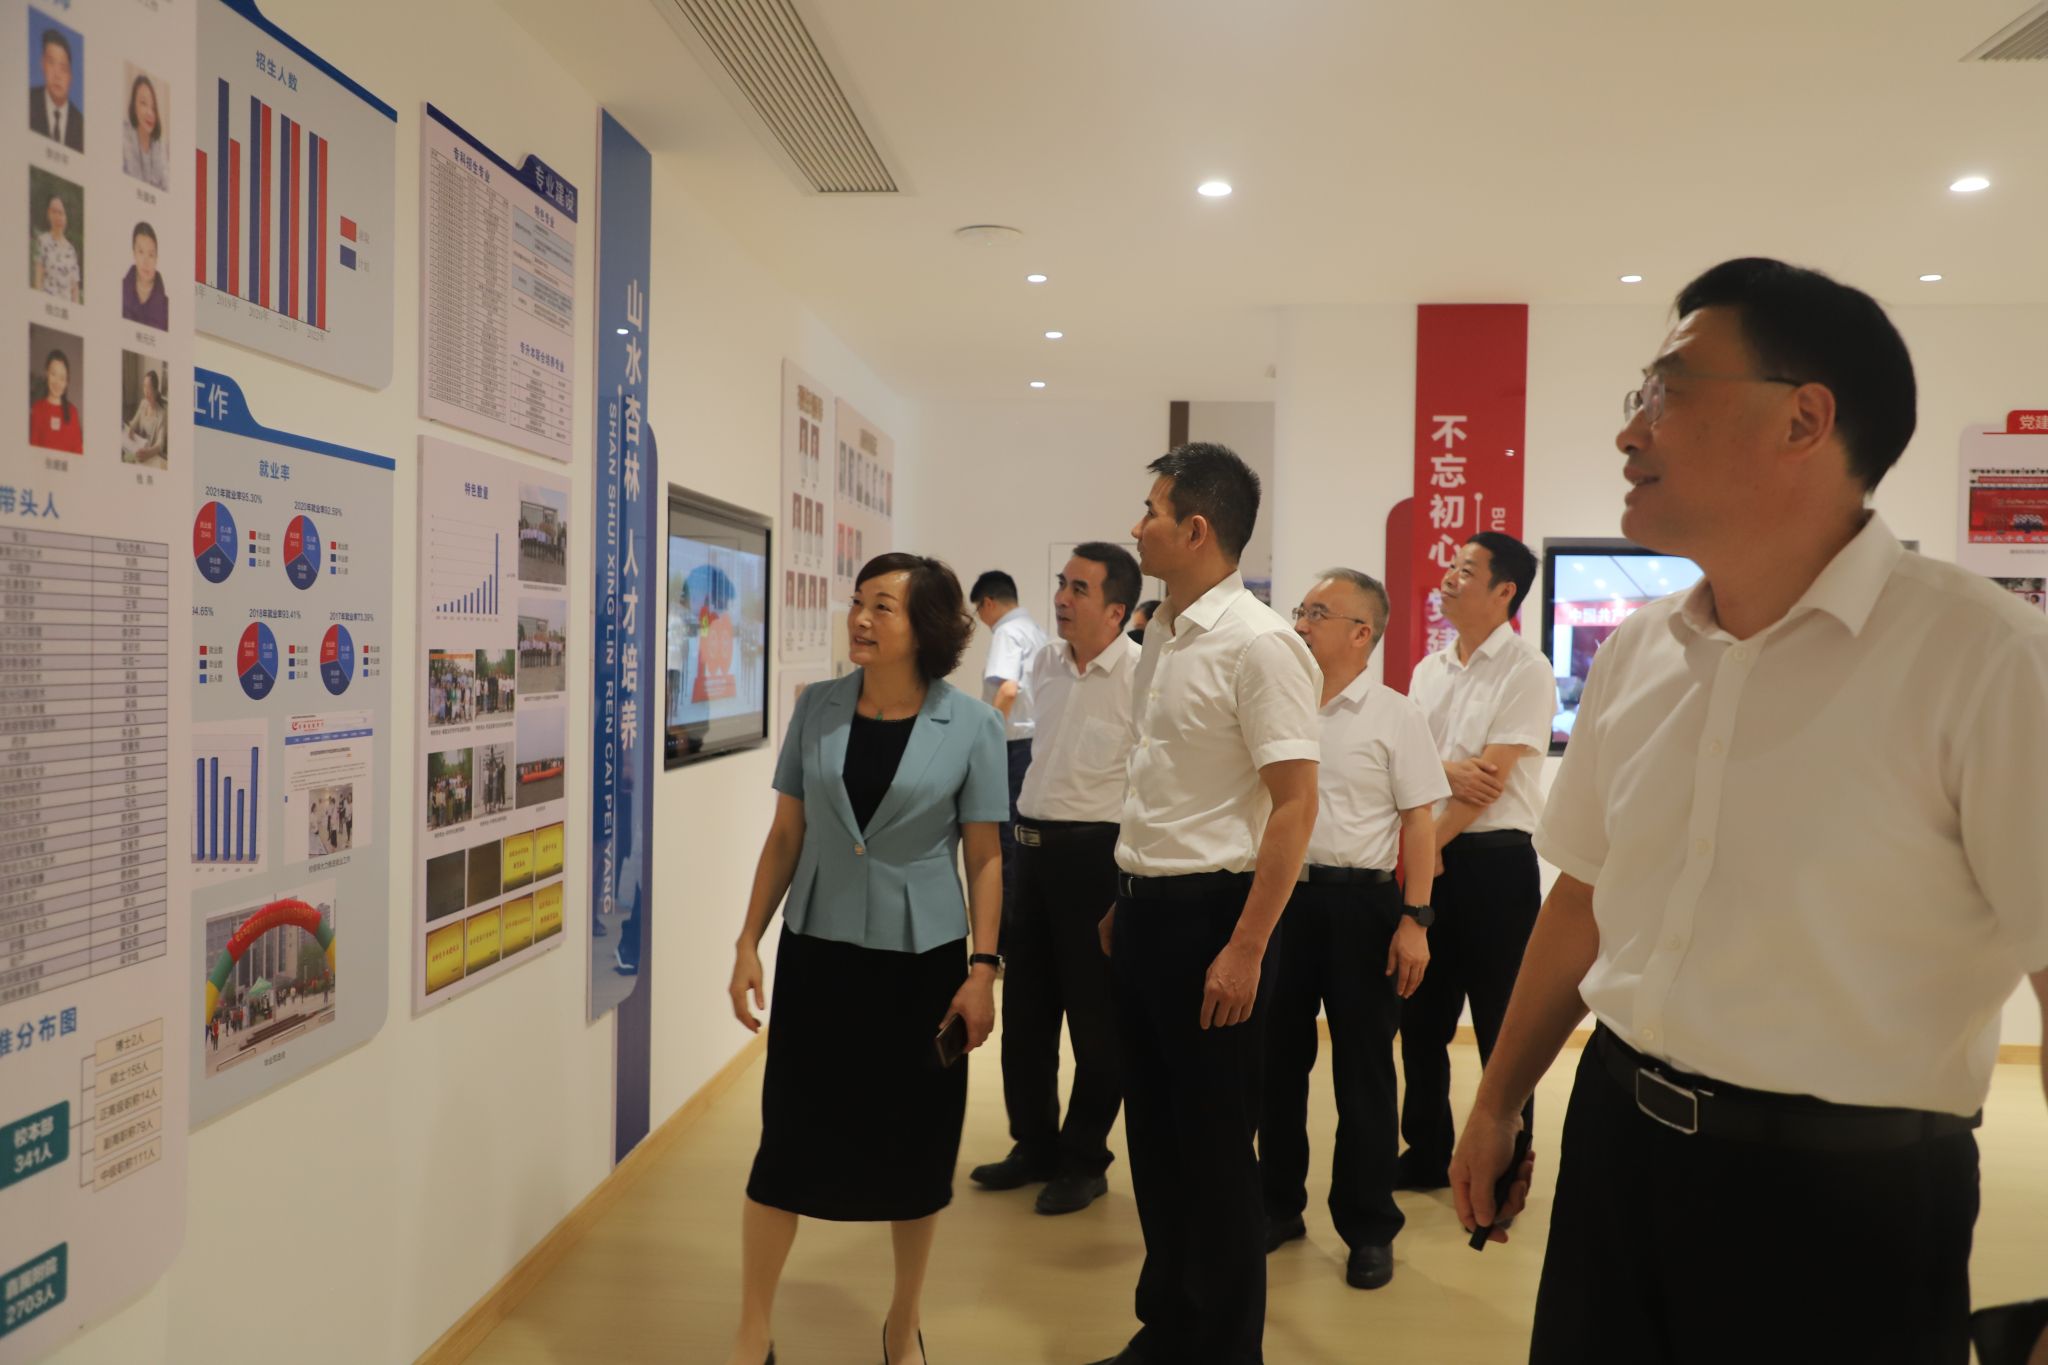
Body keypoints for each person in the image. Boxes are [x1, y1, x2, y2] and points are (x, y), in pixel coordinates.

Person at [1450, 258, 2048, 1363]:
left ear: (1803, 419)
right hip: (1617, 1147)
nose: (1629, 430)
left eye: (1665, 391)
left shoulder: (1989, 662)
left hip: (1849, 1204)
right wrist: (1497, 1103)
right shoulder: (1640, 652)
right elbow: (1583, 898)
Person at [725, 552, 1008, 1365]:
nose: (860, 618)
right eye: (858, 601)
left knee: (915, 1149)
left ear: (927, 626)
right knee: (787, 1141)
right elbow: (787, 834)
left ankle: (901, 1322)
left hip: (921, 966)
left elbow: (985, 855)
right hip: (818, 954)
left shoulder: (973, 725)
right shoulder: (815, 707)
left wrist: (983, 969)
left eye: (882, 606)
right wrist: (747, 940)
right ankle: (751, 1331)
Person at [1088, 443, 1321, 1365]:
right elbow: (1160, 782)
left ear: (1195, 528)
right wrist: (1128, 889)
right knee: (1154, 1137)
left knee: (1217, 1152)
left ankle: (1225, 1350)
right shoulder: (1162, 633)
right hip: (1146, 912)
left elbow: (1295, 805)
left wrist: (1247, 946)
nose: (1136, 525)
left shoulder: (1261, 644)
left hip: (1216, 922)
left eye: (1150, 509)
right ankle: (1170, 1330)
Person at [1258, 569, 1446, 1290]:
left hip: (1363, 909)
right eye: (1300, 610)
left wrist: (1415, 920)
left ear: (1362, 632)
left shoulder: (1395, 714)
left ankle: (1368, 1227)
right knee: (1276, 1063)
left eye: (1317, 613)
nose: (1300, 624)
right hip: (1282, 902)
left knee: (1364, 1072)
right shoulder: (1277, 704)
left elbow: (1418, 823)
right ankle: (1277, 1204)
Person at [969, 542, 1140, 1215]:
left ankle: (1084, 1158)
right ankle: (1034, 1145)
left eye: (1079, 589)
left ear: (1116, 610)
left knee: (1097, 1023)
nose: (1061, 598)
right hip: (1032, 853)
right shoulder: (1043, 661)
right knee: (1026, 1015)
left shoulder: (1142, 675)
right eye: (1063, 584)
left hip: (1098, 861)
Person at [1394, 530, 1556, 1191]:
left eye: (1466, 570)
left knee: (1502, 1024)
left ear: (1504, 590)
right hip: (1432, 857)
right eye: (1451, 566)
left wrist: (1427, 847)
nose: (1448, 578)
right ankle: (1425, 1152)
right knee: (1421, 1020)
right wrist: (1445, 772)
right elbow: (1407, 767)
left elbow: (1489, 779)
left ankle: (1506, 1166)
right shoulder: (1428, 670)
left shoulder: (1526, 669)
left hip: (1495, 866)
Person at [969, 570, 1048, 902]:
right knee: (1023, 832)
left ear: (988, 602)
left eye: (978, 610)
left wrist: (986, 739)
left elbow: (1007, 689)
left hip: (1013, 746)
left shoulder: (1007, 631)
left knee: (1005, 836)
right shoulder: (1035, 631)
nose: (981, 618)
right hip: (1034, 744)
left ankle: (1005, 924)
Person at [30, 27, 83, 151]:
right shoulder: (29, 102)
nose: (57, 75)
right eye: (51, 63)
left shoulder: (80, 123)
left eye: (63, 68)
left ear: (70, 77)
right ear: (42, 64)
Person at [29, 349, 82, 455]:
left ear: (67, 382)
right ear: (46, 373)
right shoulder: (37, 408)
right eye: (53, 374)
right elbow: (32, 451)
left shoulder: (73, 412)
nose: (57, 382)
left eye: (62, 378)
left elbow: (78, 452)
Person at [122, 74, 167, 189]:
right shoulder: (124, 136)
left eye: (153, 107)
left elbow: (166, 183)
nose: (150, 113)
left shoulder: (159, 144)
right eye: (143, 103)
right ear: (134, 106)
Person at [33, 194, 80, 303]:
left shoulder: (71, 250)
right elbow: (38, 278)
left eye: (60, 212)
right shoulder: (42, 241)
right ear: (49, 214)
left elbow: (75, 288)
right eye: (54, 211)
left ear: (65, 217)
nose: (57, 216)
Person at [122, 223, 167, 331]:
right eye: (141, 252)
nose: (145, 262)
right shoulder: (120, 290)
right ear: (134, 253)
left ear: (156, 258)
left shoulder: (166, 306)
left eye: (151, 255)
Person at [123, 368, 167, 467]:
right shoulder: (143, 403)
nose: (145, 391)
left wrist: (149, 452)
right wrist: (131, 428)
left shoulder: (161, 413)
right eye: (144, 386)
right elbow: (134, 422)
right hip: (139, 451)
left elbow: (160, 443)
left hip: (151, 456)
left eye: (149, 387)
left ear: (155, 390)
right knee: (125, 459)